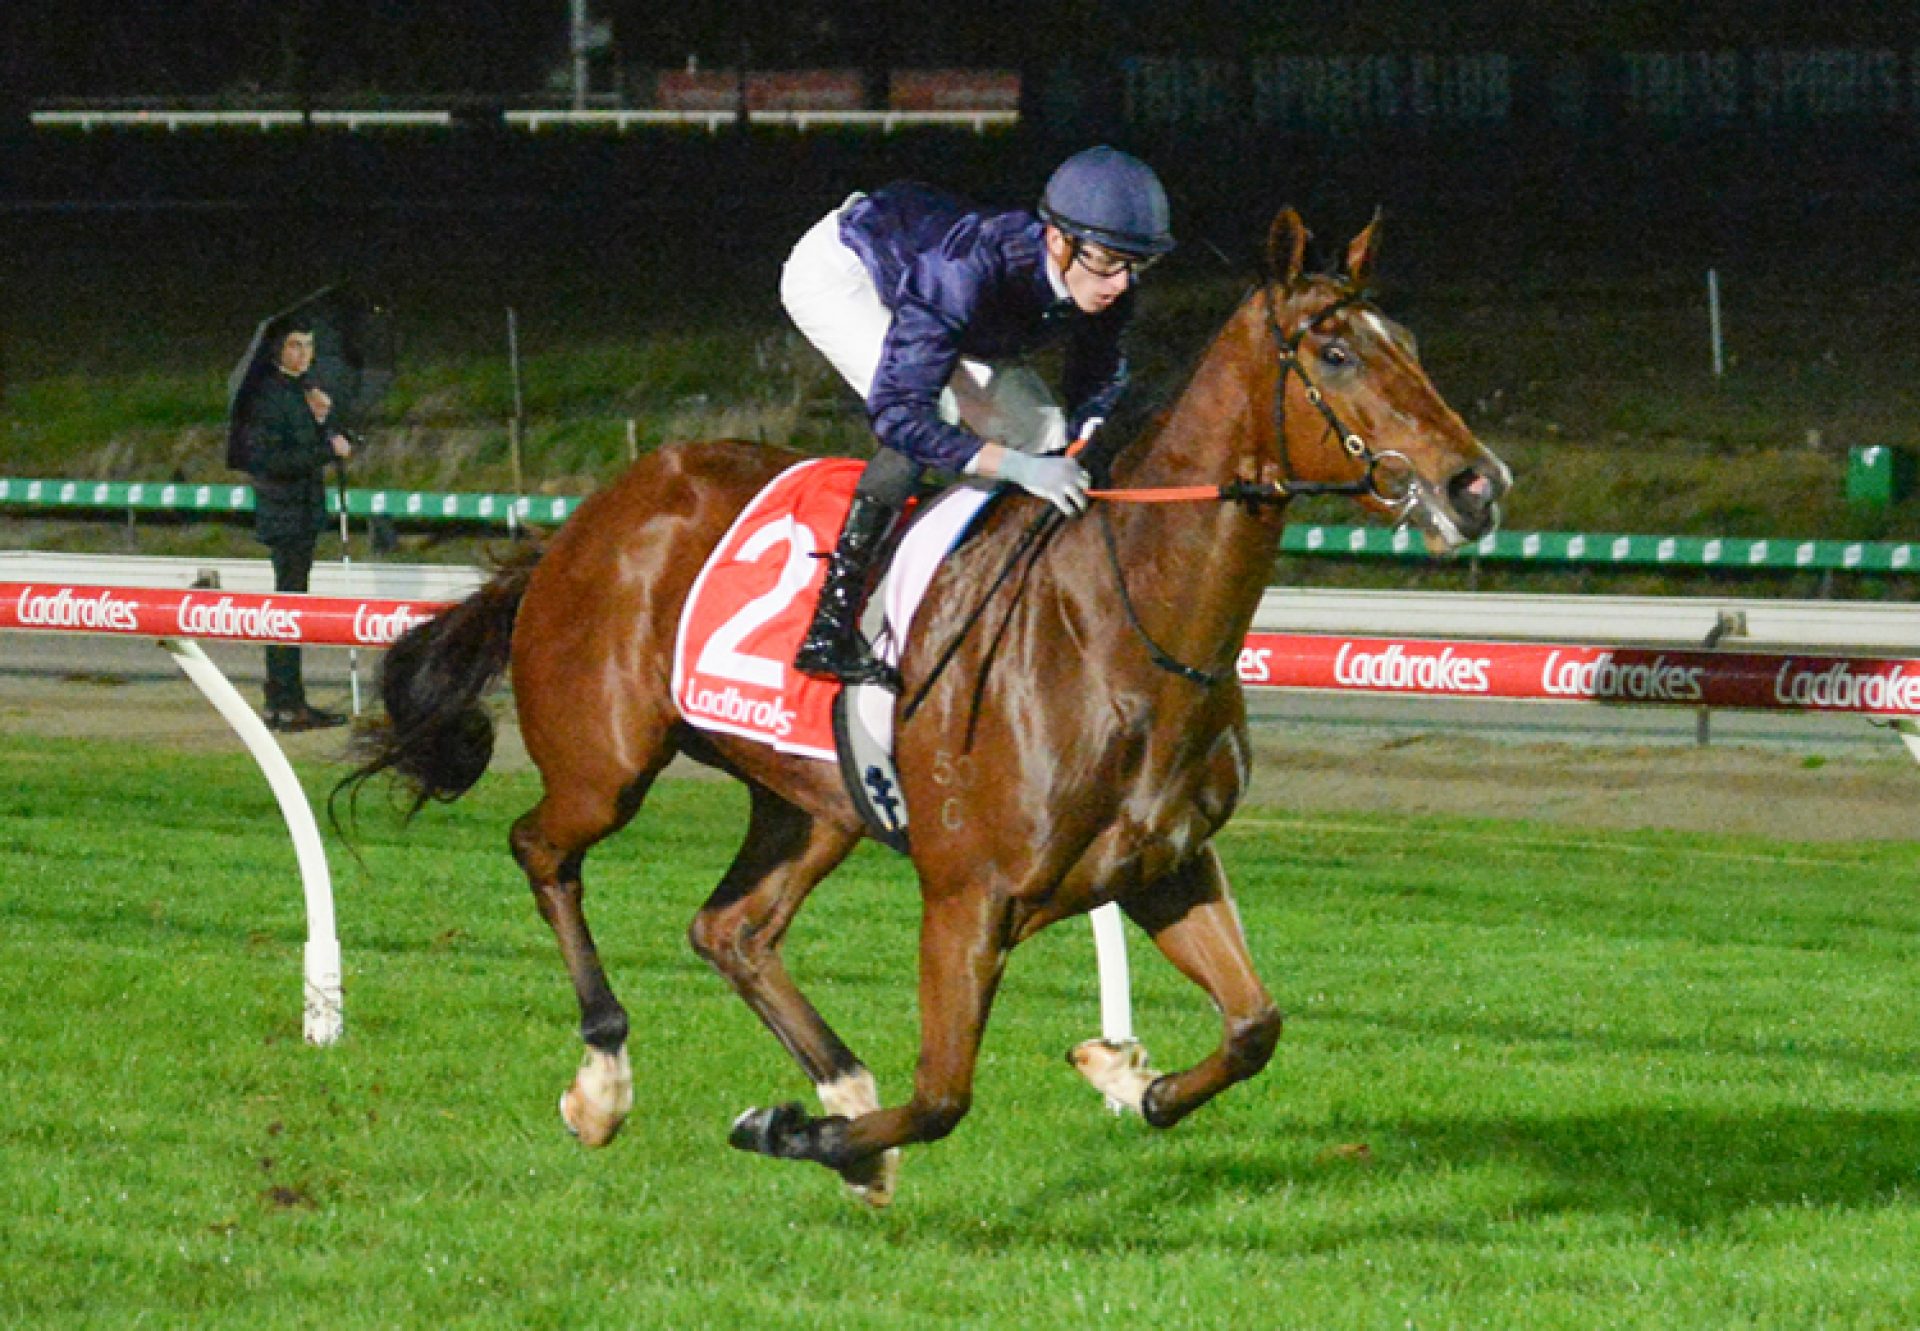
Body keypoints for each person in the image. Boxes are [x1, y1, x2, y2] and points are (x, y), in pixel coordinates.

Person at [779, 144, 1176, 686]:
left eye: (1136, 265)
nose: (1120, 283)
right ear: (1058, 241)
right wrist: (1017, 468)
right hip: (844, 273)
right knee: (931, 415)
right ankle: (830, 626)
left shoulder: (1110, 280)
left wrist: (1088, 435)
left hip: (940, 297)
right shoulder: (963, 269)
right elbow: (900, 414)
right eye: (1106, 262)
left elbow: (1097, 382)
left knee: (1043, 430)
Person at [240, 325, 352, 731]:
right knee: (288, 605)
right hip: (285, 514)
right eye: (295, 345)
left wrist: (320, 421)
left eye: (309, 345)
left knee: (292, 602)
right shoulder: (270, 395)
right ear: (278, 349)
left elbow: (303, 449)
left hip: (301, 512)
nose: (304, 353)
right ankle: (285, 702)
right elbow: (276, 461)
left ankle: (286, 699)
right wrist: (327, 448)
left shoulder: (300, 392)